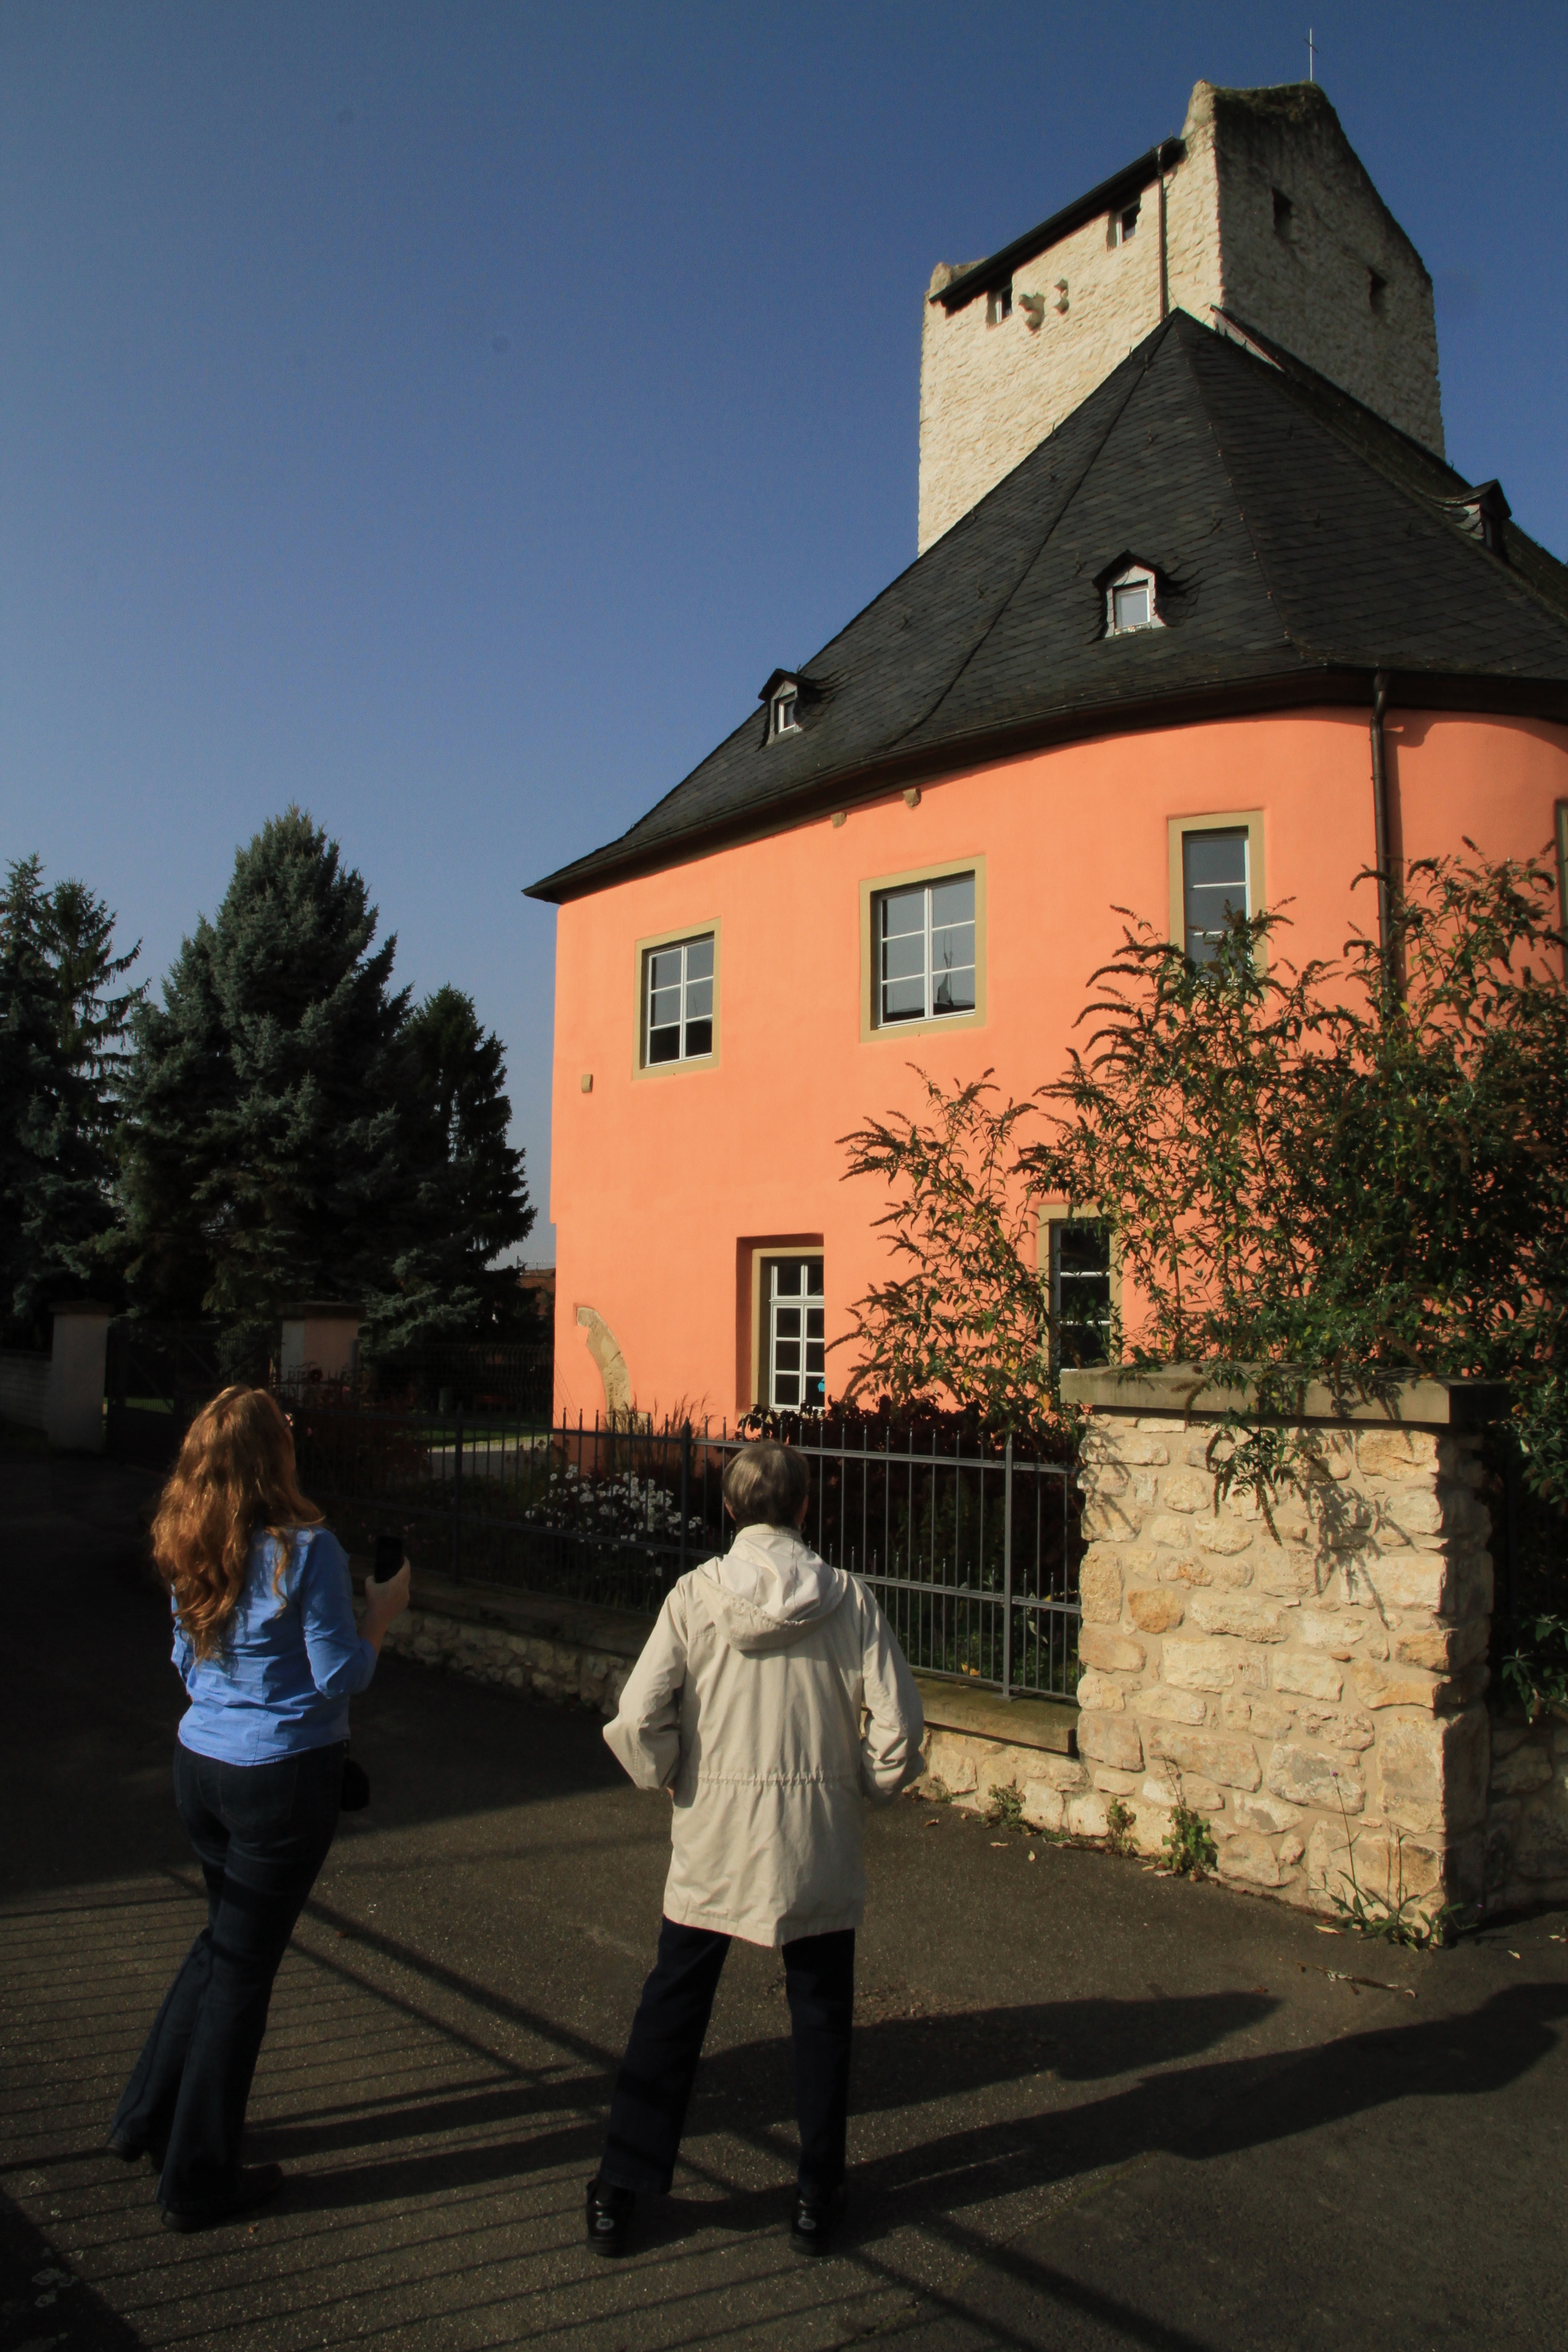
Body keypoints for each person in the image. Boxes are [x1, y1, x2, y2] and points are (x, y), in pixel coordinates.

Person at [589, 1438, 924, 2259]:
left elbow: (637, 1717)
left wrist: (671, 1774)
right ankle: (816, 2193)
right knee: (821, 2013)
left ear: (730, 1508)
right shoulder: (849, 1601)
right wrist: (866, 1788)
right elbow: (900, 1727)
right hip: (816, 1834)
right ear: (804, 1508)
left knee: (673, 2005)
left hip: (716, 1832)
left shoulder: (695, 1596)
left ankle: (622, 2187)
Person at [108, 1384, 409, 2232]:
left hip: (200, 1765)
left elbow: (184, 1658)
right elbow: (339, 1674)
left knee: (222, 1943)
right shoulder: (306, 1551)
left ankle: (145, 2118)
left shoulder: (189, 1537)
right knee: (242, 1973)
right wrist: (382, 1616)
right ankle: (197, 2176)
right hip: (280, 1779)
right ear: (276, 1456)